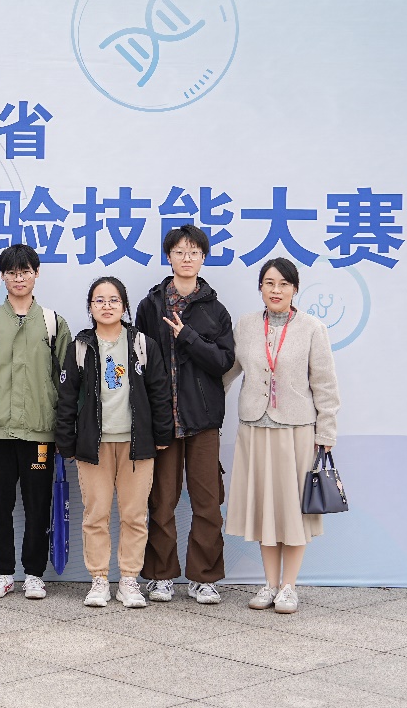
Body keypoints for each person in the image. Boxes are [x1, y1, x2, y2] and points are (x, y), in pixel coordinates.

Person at [224, 257, 340, 615]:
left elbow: (325, 384)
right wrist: (200, 404)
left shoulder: (312, 328)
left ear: (295, 289)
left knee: (292, 510)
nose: (276, 290)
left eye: (283, 284)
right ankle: (270, 584)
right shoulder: (245, 325)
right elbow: (227, 372)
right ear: (260, 287)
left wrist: (326, 431)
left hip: (296, 432)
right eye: (269, 283)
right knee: (265, 508)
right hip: (254, 429)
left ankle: (289, 586)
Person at [55, 276, 172, 609]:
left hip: (137, 444)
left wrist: (161, 434)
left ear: (124, 306)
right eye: (99, 300)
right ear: (90, 307)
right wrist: (67, 442)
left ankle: (129, 580)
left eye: (113, 300)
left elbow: (160, 393)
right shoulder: (80, 347)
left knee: (135, 516)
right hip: (94, 446)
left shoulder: (142, 344)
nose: (106, 306)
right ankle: (99, 579)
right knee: (96, 515)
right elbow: (66, 398)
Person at [134, 224, 235, 605]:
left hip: (203, 421)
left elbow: (224, 361)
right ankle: (160, 576)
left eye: (194, 252)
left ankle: (203, 578)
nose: (187, 258)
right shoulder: (151, 306)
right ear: (169, 257)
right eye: (179, 251)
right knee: (161, 502)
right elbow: (139, 362)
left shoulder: (215, 310)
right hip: (163, 421)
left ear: (203, 258)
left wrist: (188, 337)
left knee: (207, 503)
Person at [0, 244, 71, 601]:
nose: (19, 278)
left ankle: (34, 574)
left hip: (40, 432)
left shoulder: (53, 323)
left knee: (38, 504)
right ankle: (3, 573)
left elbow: (66, 382)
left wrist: (63, 431)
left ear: (36, 273)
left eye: (25, 271)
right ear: (3, 277)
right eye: (12, 272)